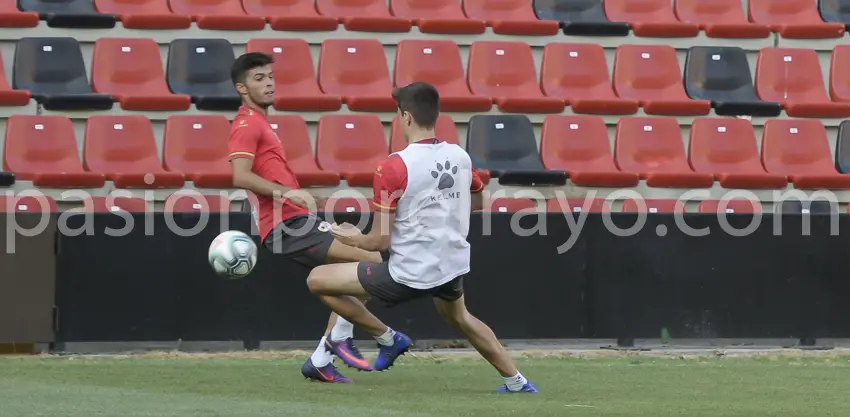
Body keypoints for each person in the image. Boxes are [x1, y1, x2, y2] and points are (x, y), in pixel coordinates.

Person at [305, 82, 539, 393]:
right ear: (436, 115)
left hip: (408, 274)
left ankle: (388, 338)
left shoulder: (393, 167)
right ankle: (517, 382)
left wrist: (349, 237)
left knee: (317, 279)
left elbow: (378, 242)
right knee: (461, 318)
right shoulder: (459, 156)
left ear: (405, 117)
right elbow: (480, 203)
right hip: (450, 266)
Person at [228, 52, 383, 384]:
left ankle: (323, 357)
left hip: (294, 220)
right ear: (242, 88)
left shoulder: (260, 123)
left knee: (361, 270)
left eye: (270, 76)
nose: (268, 83)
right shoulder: (245, 125)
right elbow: (239, 176)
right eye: (258, 79)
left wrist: (305, 197)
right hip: (285, 225)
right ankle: (340, 341)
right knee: (371, 262)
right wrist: (287, 194)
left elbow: (268, 175)